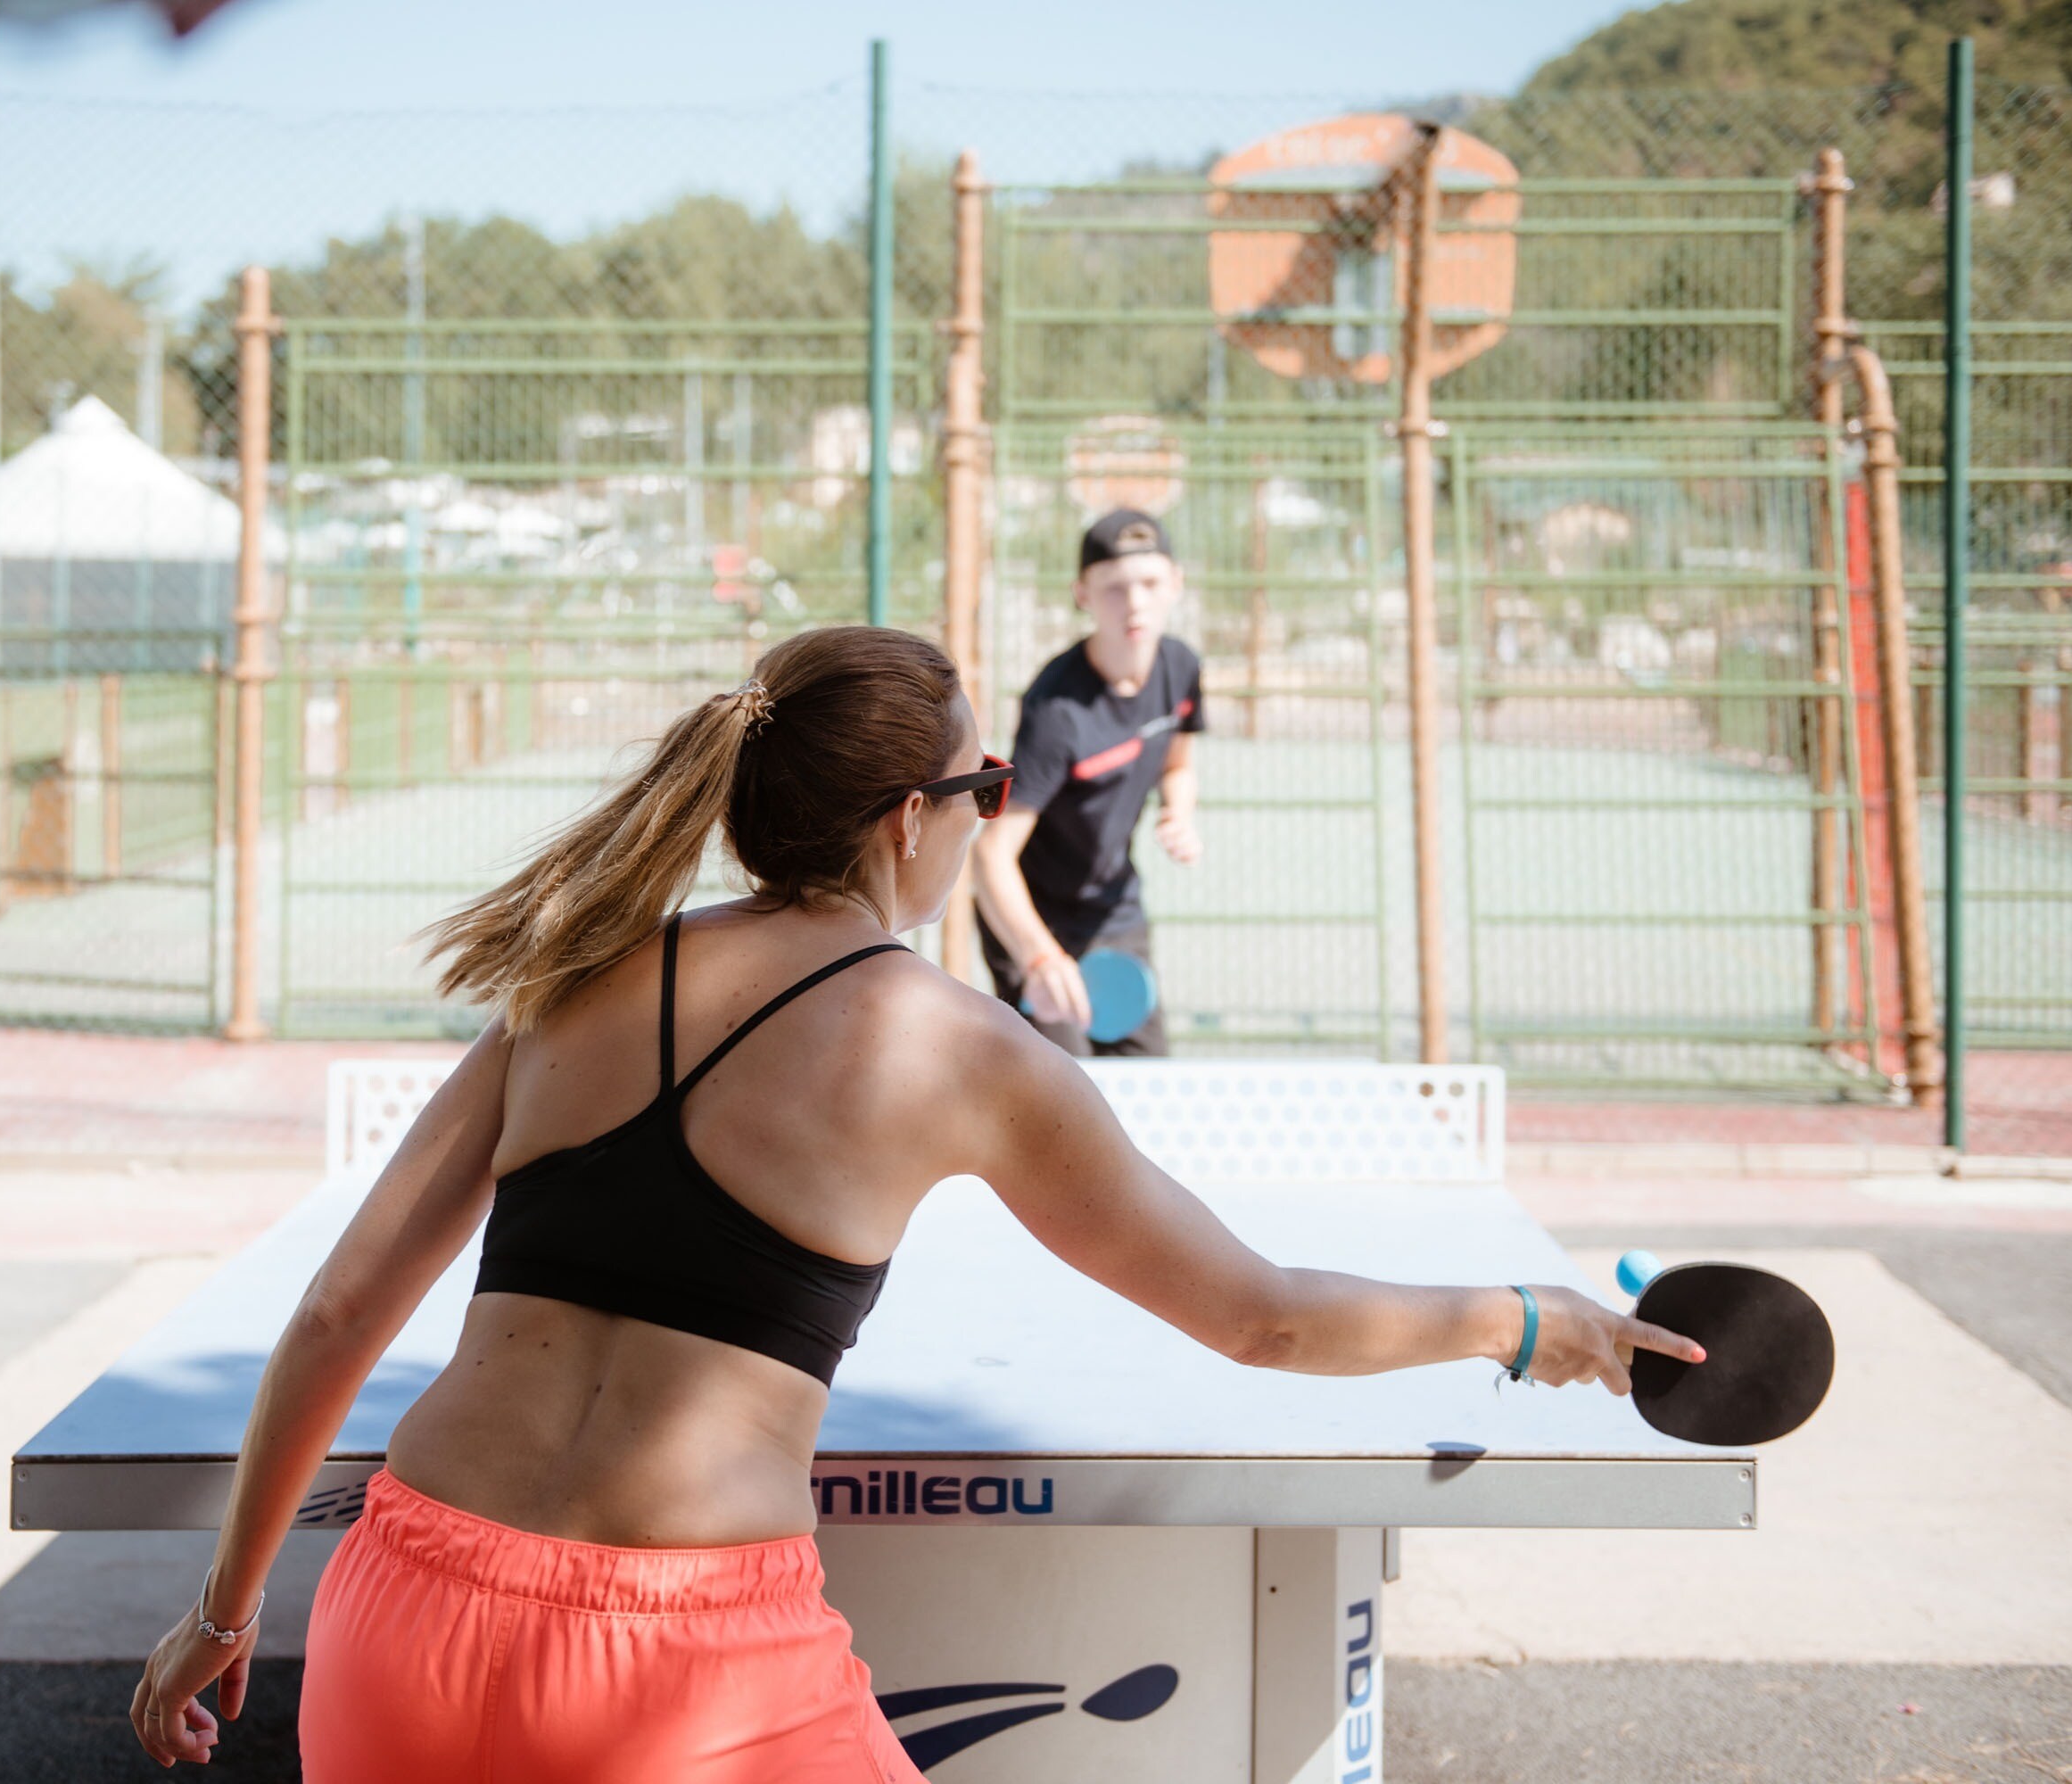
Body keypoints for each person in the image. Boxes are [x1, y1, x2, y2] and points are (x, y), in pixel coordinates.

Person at [127, 625, 1698, 1781]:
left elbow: (343, 1312)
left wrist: (223, 1606)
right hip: (679, 1674)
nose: (986, 813)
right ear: (910, 820)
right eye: (984, 786)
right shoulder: (954, 1046)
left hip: (404, 1615)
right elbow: (1261, 1314)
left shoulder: (576, 971)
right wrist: (1520, 1322)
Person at [972, 507, 1201, 1055]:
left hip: (1114, 909)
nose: (1136, 603)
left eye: (1149, 583)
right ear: (1083, 594)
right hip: (1036, 918)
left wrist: (1179, 812)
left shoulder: (1182, 667)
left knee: (1148, 1082)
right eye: (1115, 588)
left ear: (1176, 582)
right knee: (1064, 1097)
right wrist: (1040, 957)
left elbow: (1178, 762)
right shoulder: (1056, 709)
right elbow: (991, 857)